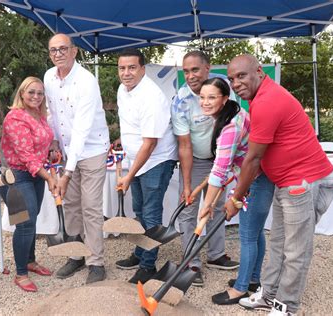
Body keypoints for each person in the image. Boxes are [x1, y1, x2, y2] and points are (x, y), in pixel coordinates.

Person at [225, 54, 333, 316]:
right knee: (278, 243)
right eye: (231, 79)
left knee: (296, 251)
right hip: (286, 182)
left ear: (259, 72)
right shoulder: (260, 99)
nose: (236, 83)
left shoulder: (267, 101)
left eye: (241, 76)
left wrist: (236, 199)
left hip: (303, 182)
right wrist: (243, 187)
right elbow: (261, 155)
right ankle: (269, 294)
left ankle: (287, 306)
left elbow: (254, 157)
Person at [197, 77, 274, 305]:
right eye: (202, 97)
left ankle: (240, 289)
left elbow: (219, 170)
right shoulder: (236, 114)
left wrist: (207, 204)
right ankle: (252, 279)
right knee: (256, 232)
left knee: (248, 235)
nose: (206, 102)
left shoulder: (230, 126)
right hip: (254, 178)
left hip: (256, 181)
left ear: (224, 98)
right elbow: (234, 159)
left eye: (212, 97)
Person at [44, 33, 110, 284]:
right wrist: (52, 141)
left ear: (74, 51)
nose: (58, 54)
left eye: (63, 49)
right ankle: (76, 255)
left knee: (90, 207)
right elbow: (51, 112)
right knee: (70, 206)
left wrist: (68, 173)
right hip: (65, 151)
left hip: (91, 150)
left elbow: (82, 128)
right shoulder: (49, 76)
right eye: (53, 50)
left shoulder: (86, 80)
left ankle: (96, 262)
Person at [170, 51, 239, 286]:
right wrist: (188, 184)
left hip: (222, 158)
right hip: (197, 159)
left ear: (207, 68)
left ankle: (216, 254)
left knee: (218, 207)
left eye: (195, 70)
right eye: (186, 71)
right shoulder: (180, 101)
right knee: (190, 209)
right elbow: (185, 145)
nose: (190, 76)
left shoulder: (224, 88)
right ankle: (191, 260)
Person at [114, 48, 177, 284]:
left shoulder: (151, 96)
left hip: (156, 160)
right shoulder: (123, 89)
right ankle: (141, 252)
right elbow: (131, 124)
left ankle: (148, 266)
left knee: (150, 214)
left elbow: (150, 143)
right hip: (137, 159)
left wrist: (129, 175)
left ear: (142, 69)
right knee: (139, 210)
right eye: (122, 68)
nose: (126, 73)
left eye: (132, 67)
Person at [0, 76, 57, 292]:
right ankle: (21, 273)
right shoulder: (15, 117)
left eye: (40, 93)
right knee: (24, 222)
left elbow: (42, 146)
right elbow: (26, 155)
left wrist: (52, 150)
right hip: (14, 175)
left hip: (34, 174)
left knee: (32, 218)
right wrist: (49, 177)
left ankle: (30, 261)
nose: (36, 96)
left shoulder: (40, 115)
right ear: (21, 93)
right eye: (31, 92)